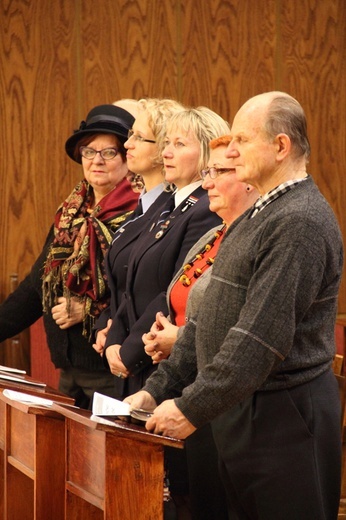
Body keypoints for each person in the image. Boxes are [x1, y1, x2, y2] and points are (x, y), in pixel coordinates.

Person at [125, 92, 344, 520]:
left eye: (243, 138)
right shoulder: (259, 215)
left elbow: (258, 337)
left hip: (285, 420)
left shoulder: (298, 219)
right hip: (244, 410)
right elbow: (211, 323)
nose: (232, 148)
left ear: (281, 147)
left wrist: (190, 407)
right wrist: (156, 391)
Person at [96, 106, 230, 517]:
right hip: (147, 356)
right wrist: (114, 334)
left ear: (208, 153)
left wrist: (129, 347)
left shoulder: (206, 208)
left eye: (179, 144)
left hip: (170, 360)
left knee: (181, 493)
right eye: (166, 143)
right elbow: (130, 282)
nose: (168, 152)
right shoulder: (167, 207)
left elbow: (169, 292)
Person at [142, 134, 259, 520]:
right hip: (191, 383)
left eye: (218, 171)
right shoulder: (215, 234)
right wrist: (154, 387)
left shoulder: (257, 238)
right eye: (207, 172)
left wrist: (179, 338)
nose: (206, 182)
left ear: (250, 180)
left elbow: (252, 333)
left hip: (227, 402)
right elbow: (186, 304)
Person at [0, 104, 139, 408]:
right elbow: (37, 287)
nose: (97, 161)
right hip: (70, 371)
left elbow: (140, 294)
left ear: (130, 158)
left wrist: (88, 310)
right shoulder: (72, 214)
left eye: (109, 152)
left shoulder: (141, 214)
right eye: (89, 151)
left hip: (114, 372)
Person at [93, 97, 184, 350]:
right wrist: (107, 325)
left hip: (148, 351)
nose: (127, 144)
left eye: (138, 137)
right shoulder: (143, 205)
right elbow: (122, 287)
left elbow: (163, 291)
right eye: (130, 134)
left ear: (163, 148)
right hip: (122, 344)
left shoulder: (175, 208)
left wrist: (125, 347)